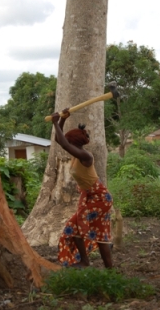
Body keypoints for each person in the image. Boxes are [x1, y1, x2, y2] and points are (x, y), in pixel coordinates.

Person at [51, 109, 113, 268]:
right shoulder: (76, 155)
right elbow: (60, 140)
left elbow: (63, 143)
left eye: (69, 144)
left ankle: (101, 267)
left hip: (99, 197)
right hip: (89, 196)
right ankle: (87, 262)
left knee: (87, 230)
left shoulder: (86, 156)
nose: (67, 146)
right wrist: (62, 120)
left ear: (74, 145)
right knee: (77, 229)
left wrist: (55, 123)